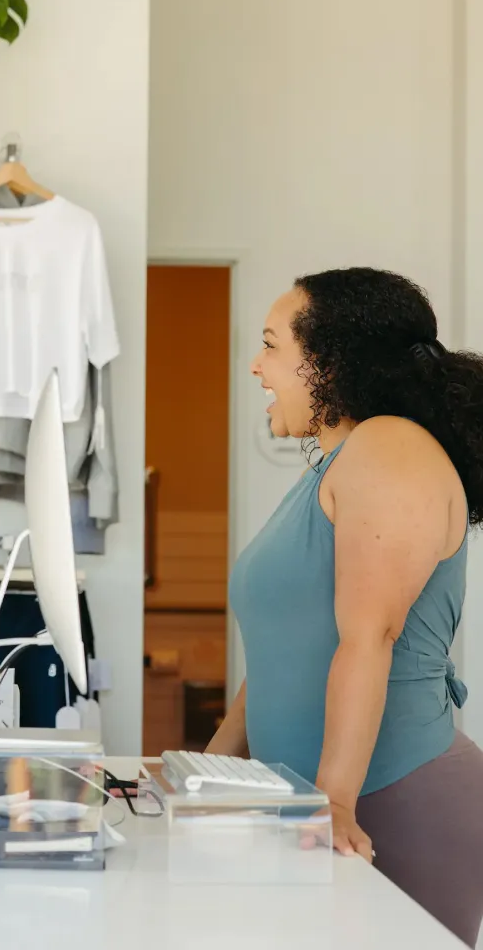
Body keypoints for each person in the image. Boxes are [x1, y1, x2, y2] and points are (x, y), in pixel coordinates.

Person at [207, 267, 483, 946]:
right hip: (324, 806)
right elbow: (284, 650)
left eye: (271, 346)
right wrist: (206, 771)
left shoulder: (392, 450)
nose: (255, 366)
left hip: (392, 800)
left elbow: (371, 637)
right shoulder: (331, 469)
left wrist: (333, 801)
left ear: (329, 363)